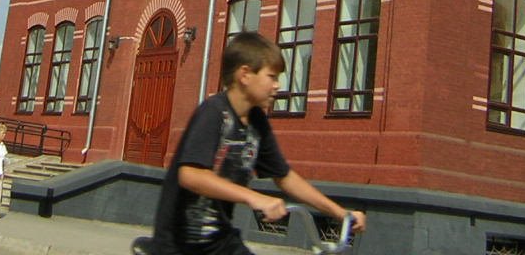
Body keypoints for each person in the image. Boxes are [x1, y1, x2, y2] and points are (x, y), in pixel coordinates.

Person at [150, 32, 366, 255]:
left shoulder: (256, 122)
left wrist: (340, 213)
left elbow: (285, 177)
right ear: (245, 75)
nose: (277, 85)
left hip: (220, 242)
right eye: (271, 76)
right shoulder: (214, 112)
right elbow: (190, 175)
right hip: (178, 246)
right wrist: (255, 198)